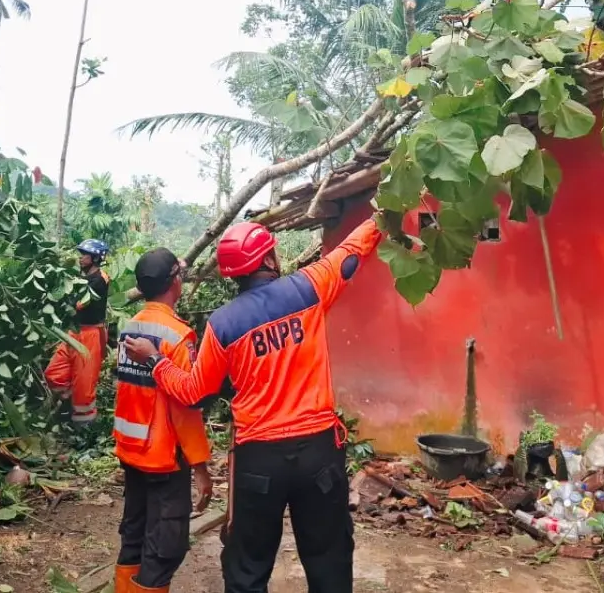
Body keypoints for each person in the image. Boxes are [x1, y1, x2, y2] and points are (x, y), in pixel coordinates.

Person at [123, 217, 384, 593]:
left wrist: (156, 361)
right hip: (319, 454)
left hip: (258, 463)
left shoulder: (224, 323)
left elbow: (194, 392)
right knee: (330, 560)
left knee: (247, 567)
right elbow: (351, 252)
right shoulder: (308, 287)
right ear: (270, 260)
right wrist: (381, 215)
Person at [112, 247, 215, 593]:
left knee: (134, 536)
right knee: (164, 547)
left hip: (131, 448)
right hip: (163, 457)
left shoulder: (130, 327)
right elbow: (185, 407)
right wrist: (200, 464)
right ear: (175, 282)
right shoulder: (177, 335)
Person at [44, 239, 111, 426]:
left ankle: (83, 428)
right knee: (53, 373)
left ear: (96, 258)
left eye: (85, 255)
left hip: (90, 334)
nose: (81, 258)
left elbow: (79, 305)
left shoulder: (100, 279)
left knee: (84, 388)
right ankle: (68, 397)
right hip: (74, 331)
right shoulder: (80, 278)